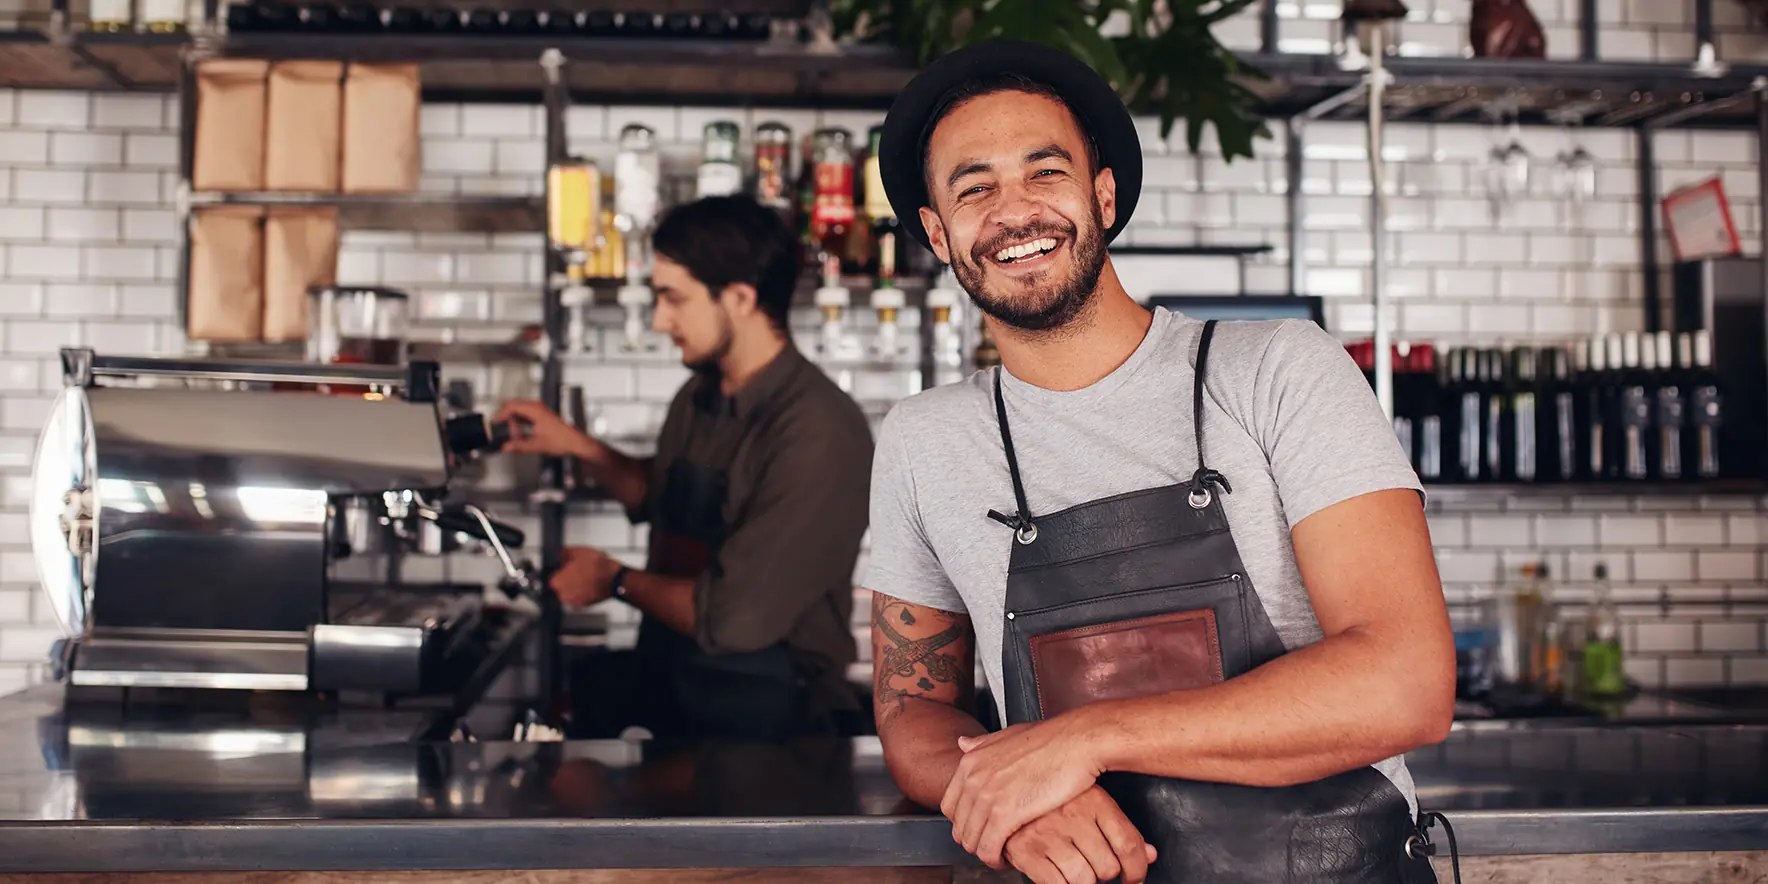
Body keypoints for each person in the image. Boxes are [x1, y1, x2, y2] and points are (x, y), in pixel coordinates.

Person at [863, 40, 1457, 884]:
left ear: (1102, 194)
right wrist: (1002, 794)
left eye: (1045, 172)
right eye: (974, 187)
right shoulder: (924, 441)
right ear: (937, 232)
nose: (1014, 211)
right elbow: (915, 707)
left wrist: (1078, 742)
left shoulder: (1278, 369)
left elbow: (1408, 684)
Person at [493, 194, 874, 741]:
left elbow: (735, 618)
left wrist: (614, 580)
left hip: (772, 724)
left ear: (740, 298)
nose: (658, 319)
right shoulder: (699, 394)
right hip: (682, 693)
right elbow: (662, 496)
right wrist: (576, 445)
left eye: (673, 298)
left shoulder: (819, 430)